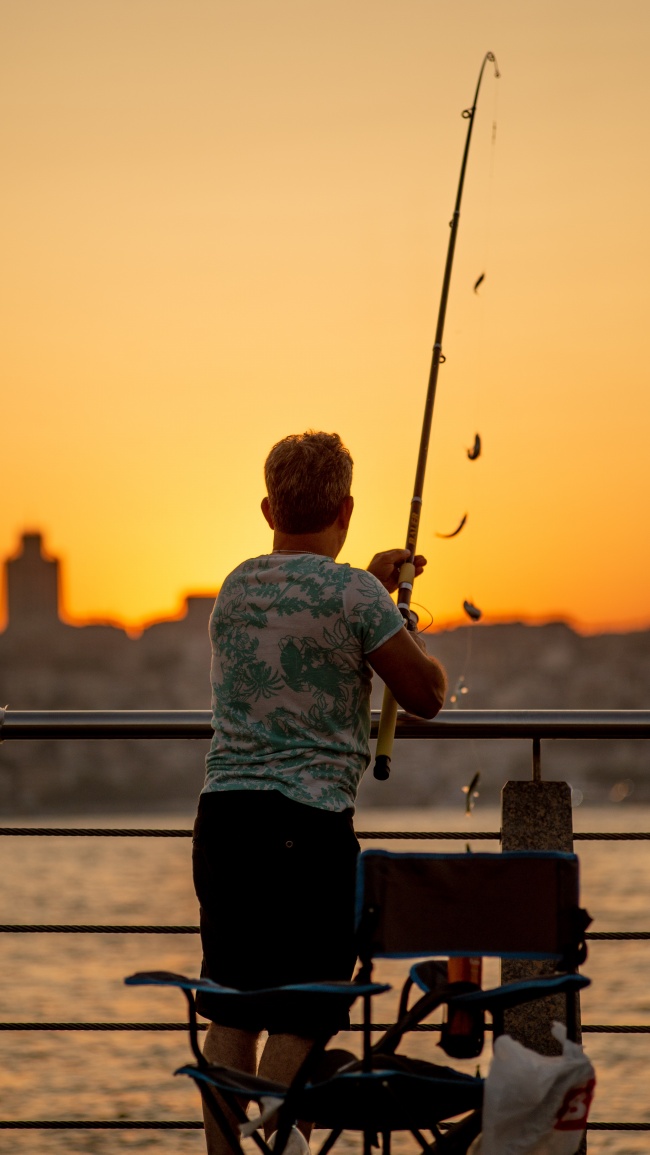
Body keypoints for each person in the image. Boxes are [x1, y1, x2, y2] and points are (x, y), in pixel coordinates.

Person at [192, 431, 447, 1154]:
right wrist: (393, 616)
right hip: (305, 825)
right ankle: (279, 1151)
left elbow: (308, 604)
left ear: (268, 506)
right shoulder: (356, 596)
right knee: (303, 1010)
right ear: (347, 506)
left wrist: (366, 584)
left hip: (224, 818)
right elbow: (426, 692)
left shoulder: (238, 584)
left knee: (233, 1004)